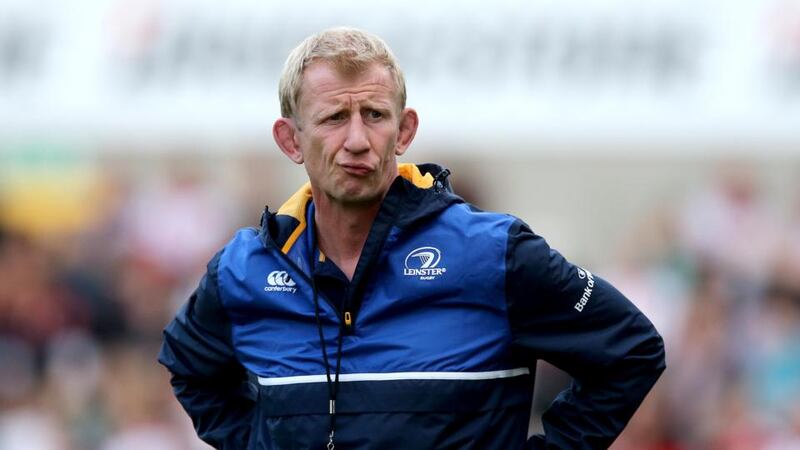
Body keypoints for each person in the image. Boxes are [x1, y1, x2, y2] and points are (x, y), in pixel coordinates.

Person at [158, 27, 665, 450]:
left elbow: (632, 351)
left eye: (374, 115)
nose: (357, 140)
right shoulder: (243, 269)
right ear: (291, 140)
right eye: (334, 118)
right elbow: (191, 369)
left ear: (404, 132)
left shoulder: (493, 253)